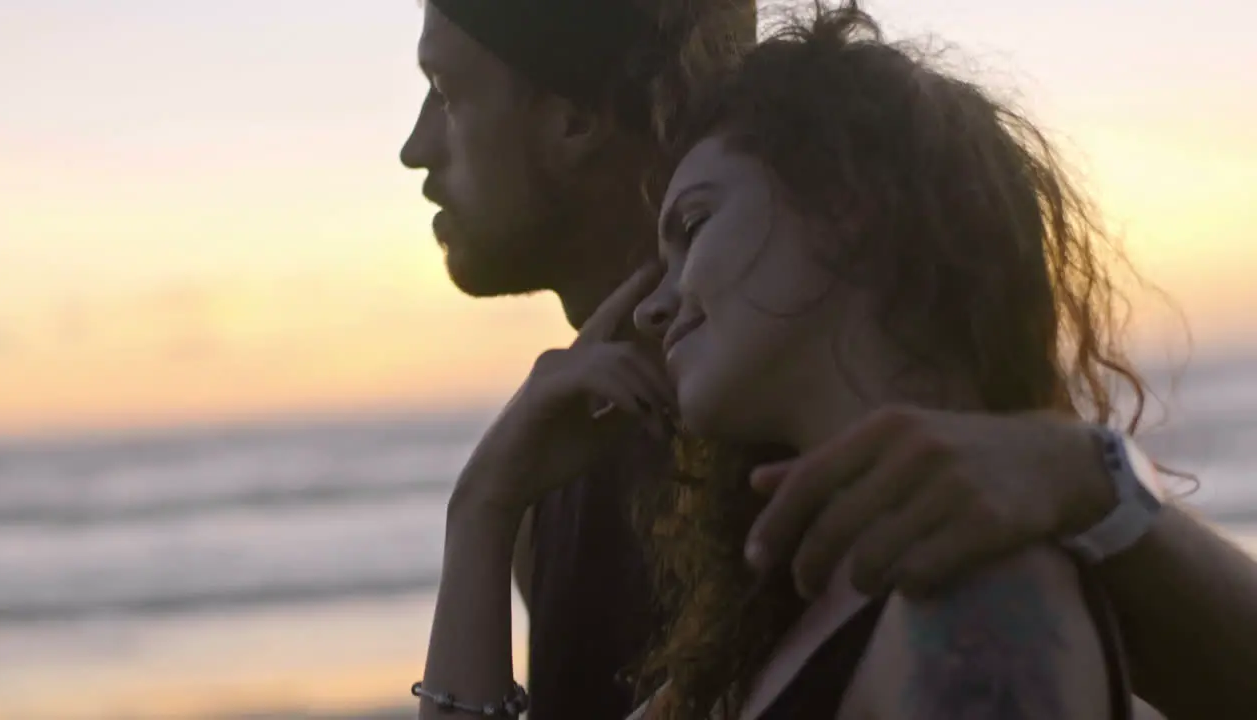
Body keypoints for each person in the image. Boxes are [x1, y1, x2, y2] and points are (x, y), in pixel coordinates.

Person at [401, 0, 1257, 718]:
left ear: (848, 210)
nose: (415, 147)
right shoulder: (763, 575)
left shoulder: (955, 556)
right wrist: (481, 508)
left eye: (444, 89)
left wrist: (1100, 482)